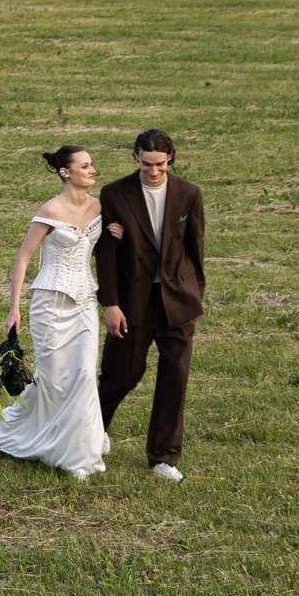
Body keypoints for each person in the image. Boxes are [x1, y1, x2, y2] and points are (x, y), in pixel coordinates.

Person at [0, 145, 110, 479]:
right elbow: (23, 258)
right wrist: (14, 308)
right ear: (66, 172)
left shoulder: (100, 207)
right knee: (53, 381)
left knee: (84, 374)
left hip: (85, 302)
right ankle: (13, 431)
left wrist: (117, 237)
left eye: (91, 165)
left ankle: (79, 454)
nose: (92, 170)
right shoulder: (51, 209)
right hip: (50, 305)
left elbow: (98, 249)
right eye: (85, 166)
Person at [96, 128, 205, 481]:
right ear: (135, 157)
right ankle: (93, 431)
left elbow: (196, 249)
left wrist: (195, 299)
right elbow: (106, 255)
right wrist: (111, 304)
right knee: (121, 374)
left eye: (160, 164)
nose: (154, 171)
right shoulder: (114, 193)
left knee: (175, 377)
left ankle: (164, 458)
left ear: (170, 158)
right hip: (132, 301)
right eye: (147, 165)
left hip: (178, 302)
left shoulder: (189, 193)